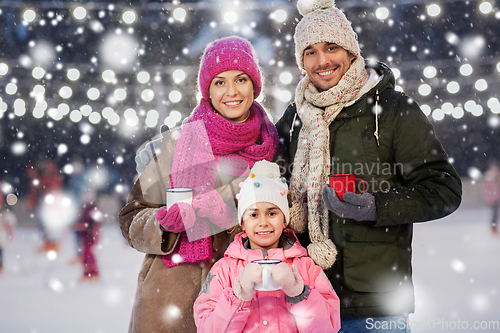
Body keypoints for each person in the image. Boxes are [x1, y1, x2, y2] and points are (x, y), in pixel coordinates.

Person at [274, 0, 462, 331]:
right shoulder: (295, 117)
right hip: (306, 296)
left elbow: (444, 188)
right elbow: (264, 176)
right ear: (301, 62)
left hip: (373, 301)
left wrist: (376, 207)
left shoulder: (392, 109)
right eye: (310, 52)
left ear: (350, 51)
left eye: (331, 47)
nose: (322, 61)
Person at [119, 36, 279, 332]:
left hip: (243, 300)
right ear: (206, 90)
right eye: (219, 82)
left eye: (241, 79)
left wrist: (235, 216)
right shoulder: (174, 144)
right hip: (171, 299)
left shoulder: (272, 147)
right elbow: (131, 218)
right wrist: (165, 224)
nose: (231, 92)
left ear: (254, 85)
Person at [194, 160, 341, 333]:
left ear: (285, 219)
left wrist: (299, 293)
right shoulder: (223, 271)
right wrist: (237, 297)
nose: (263, 222)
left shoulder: (306, 267)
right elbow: (207, 328)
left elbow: (329, 327)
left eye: (272, 213)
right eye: (254, 214)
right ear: (242, 223)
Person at [72, 191, 101, 281]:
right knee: (84, 255)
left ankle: (94, 273)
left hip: (91, 236)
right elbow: (82, 221)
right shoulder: (84, 210)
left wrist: (81, 226)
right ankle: (86, 273)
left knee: (89, 255)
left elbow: (93, 224)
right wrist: (77, 225)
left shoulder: (93, 210)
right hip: (84, 237)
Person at [482, 161, 500, 235]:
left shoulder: (496, 177)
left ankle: (494, 227)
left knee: (496, 213)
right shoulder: (489, 178)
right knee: (494, 213)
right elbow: (487, 189)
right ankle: (493, 228)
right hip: (493, 199)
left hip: (496, 198)